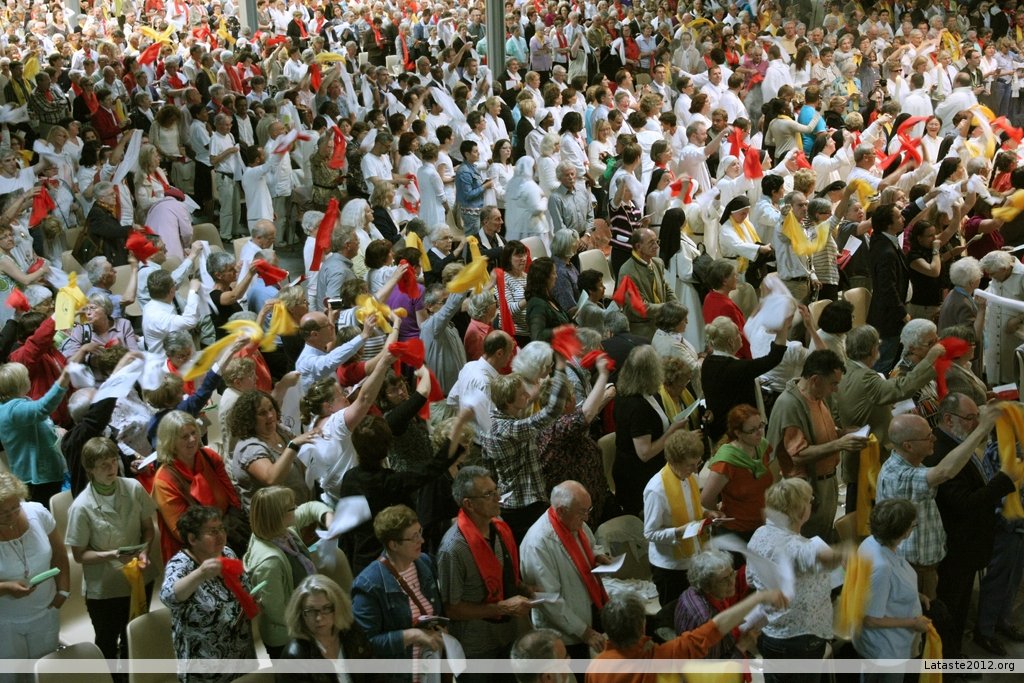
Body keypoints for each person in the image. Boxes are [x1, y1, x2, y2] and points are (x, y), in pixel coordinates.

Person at [925, 394, 1020, 659]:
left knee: (961, 605)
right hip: (955, 546)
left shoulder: (959, 441)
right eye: (970, 418)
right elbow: (964, 503)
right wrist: (1004, 480)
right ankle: (948, 663)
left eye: (977, 417)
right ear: (948, 419)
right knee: (950, 607)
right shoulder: (941, 451)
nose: (977, 424)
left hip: (969, 544)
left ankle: (955, 654)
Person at [876, 408, 1002, 605]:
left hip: (925, 567)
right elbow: (945, 472)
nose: (934, 438)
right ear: (908, 445)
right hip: (914, 569)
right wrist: (982, 429)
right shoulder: (897, 475)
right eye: (927, 437)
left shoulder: (911, 462)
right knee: (923, 617)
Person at [66, 437, 158, 662]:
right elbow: (79, 555)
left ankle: (131, 676)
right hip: (105, 588)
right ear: (90, 470)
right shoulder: (81, 507)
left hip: (139, 577)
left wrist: (144, 551)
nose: (111, 468)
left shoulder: (133, 487)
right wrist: (113, 555)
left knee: (134, 639)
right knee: (107, 642)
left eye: (114, 461)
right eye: (103, 465)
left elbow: (148, 528)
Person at [747, 479, 847, 683]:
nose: (811, 504)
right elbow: (828, 558)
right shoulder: (801, 547)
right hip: (801, 639)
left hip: (770, 632)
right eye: (810, 500)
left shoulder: (759, 534)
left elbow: (750, 578)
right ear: (800, 511)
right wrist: (847, 554)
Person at [437, 466, 535, 672]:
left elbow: (506, 575)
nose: (498, 498)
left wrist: (525, 589)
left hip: (508, 634)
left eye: (496, 490)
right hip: (477, 647)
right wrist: (502, 608)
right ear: (468, 504)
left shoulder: (499, 530)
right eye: (488, 494)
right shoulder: (453, 548)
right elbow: (452, 608)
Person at [837, 325, 943, 513]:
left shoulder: (846, 370)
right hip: (869, 457)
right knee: (868, 514)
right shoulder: (866, 377)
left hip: (858, 455)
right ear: (873, 349)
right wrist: (930, 360)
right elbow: (902, 388)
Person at [767, 350, 868, 541]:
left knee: (824, 537)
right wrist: (839, 444)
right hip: (806, 490)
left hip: (826, 483)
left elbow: (820, 433)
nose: (836, 390)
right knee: (810, 543)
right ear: (815, 380)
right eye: (833, 384)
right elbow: (798, 455)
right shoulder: (791, 404)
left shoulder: (817, 397)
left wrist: (842, 433)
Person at [587, 587, 786, 683]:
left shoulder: (595, 667)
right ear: (642, 626)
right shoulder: (662, 658)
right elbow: (715, 627)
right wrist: (760, 597)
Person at [159, 505, 258, 682]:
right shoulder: (181, 564)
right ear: (192, 539)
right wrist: (201, 573)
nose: (221, 535)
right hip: (206, 665)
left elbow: (244, 586)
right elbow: (168, 596)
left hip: (241, 653)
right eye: (212, 532)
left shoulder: (226, 552)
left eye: (221, 528)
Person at [481, 351, 568, 543]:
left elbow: (489, 471)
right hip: (527, 506)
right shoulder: (513, 429)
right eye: (522, 394)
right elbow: (552, 411)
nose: (527, 395)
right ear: (509, 401)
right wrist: (561, 371)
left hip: (506, 503)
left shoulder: (488, 427)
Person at [520, 481, 612, 662]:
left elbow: (591, 545)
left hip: (591, 609)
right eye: (582, 512)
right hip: (566, 631)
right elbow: (548, 599)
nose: (586, 517)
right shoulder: (538, 543)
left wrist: (598, 555)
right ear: (561, 511)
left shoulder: (574, 521)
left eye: (588, 510)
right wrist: (583, 631)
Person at [351, 505, 446, 677]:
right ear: (393, 545)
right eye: (414, 537)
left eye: (420, 532)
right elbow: (366, 643)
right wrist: (412, 635)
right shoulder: (368, 584)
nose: (422, 540)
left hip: (430, 670)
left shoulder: (424, 563)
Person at [244, 485, 332, 658]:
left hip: (304, 620)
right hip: (289, 637)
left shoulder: (280, 530)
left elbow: (310, 508)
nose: (296, 509)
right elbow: (277, 613)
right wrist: (315, 623)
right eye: (292, 508)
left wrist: (327, 517)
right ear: (278, 517)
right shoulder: (269, 563)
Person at [853, 499, 932, 682]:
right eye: (913, 525)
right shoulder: (882, 567)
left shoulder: (872, 542)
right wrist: (913, 623)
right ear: (904, 532)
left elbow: (888, 587)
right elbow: (871, 619)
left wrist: (915, 595)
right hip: (886, 649)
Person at [152, 410, 244, 562]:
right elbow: (181, 531)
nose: (192, 439)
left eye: (194, 432)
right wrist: (219, 535)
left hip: (230, 530)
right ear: (170, 442)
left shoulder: (209, 456)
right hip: (198, 550)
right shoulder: (164, 480)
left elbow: (232, 496)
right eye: (185, 437)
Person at [0, 471, 71, 664]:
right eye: (3, 513)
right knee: (12, 674)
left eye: (15, 507)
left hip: (46, 611)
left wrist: (63, 592)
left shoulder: (37, 512)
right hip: (5, 622)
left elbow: (59, 554)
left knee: (45, 667)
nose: (12, 516)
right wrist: (6, 588)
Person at [644, 430, 721, 605]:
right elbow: (649, 533)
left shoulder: (689, 477)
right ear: (674, 462)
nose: (695, 469)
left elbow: (690, 506)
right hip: (670, 569)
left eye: (697, 463)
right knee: (674, 615)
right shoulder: (656, 489)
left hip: (693, 560)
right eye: (690, 465)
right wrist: (678, 532)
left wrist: (706, 513)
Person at [613, 345, 685, 517]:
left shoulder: (640, 392)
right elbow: (645, 453)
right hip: (638, 477)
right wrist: (672, 431)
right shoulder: (637, 406)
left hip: (645, 467)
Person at [701, 315, 789, 444]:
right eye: (738, 333)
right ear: (731, 342)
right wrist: (783, 329)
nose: (741, 334)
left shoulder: (707, 362)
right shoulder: (737, 368)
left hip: (718, 429)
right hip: (736, 434)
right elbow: (773, 358)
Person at [228, 390, 320, 512]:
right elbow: (271, 478)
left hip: (303, 510)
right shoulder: (249, 448)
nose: (270, 415)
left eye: (271, 409)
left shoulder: (280, 431)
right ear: (249, 419)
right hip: (275, 519)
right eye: (262, 413)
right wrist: (293, 445)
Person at [277, 574, 376, 682]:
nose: (319, 618)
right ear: (300, 614)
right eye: (310, 611)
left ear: (338, 607)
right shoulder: (294, 657)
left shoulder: (352, 631)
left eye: (326, 608)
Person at [0, 361, 73, 503]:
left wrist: (54, 429)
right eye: (26, 376)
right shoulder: (13, 409)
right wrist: (63, 380)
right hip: (37, 478)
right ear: (19, 384)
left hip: (42, 475)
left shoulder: (16, 404)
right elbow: (43, 408)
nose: (29, 379)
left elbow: (35, 426)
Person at [702, 405, 775, 542]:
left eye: (760, 426)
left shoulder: (762, 446)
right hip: (738, 531)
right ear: (738, 433)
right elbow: (706, 498)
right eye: (752, 430)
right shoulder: (726, 461)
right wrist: (718, 514)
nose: (760, 433)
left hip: (765, 525)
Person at [674, 549, 757, 659]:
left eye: (732, 574)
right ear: (707, 586)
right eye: (724, 580)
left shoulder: (693, 591)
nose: (732, 581)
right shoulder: (707, 618)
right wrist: (743, 645)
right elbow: (714, 665)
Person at [616, 227, 677, 340]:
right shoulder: (627, 272)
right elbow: (639, 307)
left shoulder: (658, 263)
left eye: (657, 241)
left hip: (661, 322)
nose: (656, 246)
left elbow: (665, 287)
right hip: (642, 329)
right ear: (638, 246)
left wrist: (675, 305)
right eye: (651, 243)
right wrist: (667, 308)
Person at [524, 257, 571, 342]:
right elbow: (537, 336)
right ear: (544, 278)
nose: (556, 276)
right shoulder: (537, 304)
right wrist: (559, 330)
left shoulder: (549, 298)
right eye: (553, 273)